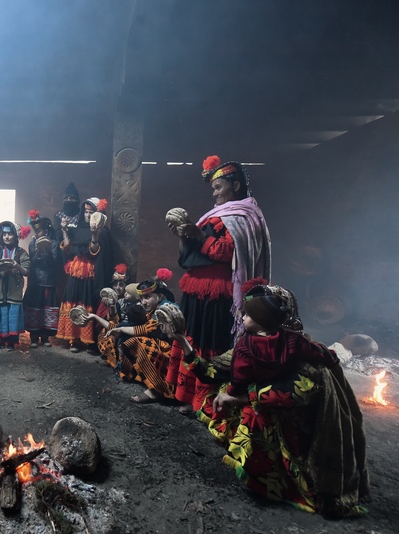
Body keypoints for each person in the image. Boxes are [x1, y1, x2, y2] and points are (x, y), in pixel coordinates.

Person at [164, 280, 369, 517]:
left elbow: (297, 392)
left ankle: (275, 482)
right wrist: (182, 341)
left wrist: (241, 397)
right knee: (226, 393)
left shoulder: (304, 358)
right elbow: (211, 372)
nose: (242, 316)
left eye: (249, 311)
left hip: (289, 425)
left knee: (256, 416)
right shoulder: (258, 344)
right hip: (256, 403)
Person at [167, 155, 271, 414]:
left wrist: (198, 234)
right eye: (213, 189)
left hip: (219, 291)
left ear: (235, 186)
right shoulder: (213, 216)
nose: (214, 194)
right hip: (194, 288)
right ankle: (184, 393)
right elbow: (187, 257)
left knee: (209, 340)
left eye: (218, 187)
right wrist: (183, 235)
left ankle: (205, 400)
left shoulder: (245, 216)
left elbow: (227, 252)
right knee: (191, 337)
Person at [104, 270, 177, 403]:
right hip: (163, 347)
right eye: (142, 298)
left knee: (140, 342)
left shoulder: (165, 309)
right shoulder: (153, 308)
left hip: (174, 353)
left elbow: (146, 329)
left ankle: (158, 389)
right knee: (125, 337)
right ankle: (136, 375)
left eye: (147, 297)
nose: (143, 302)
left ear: (160, 296)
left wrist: (121, 329)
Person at [56, 197, 112, 353]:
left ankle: (87, 340)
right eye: (86, 212)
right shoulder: (78, 228)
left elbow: (95, 252)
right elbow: (67, 248)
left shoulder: (103, 231)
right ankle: (73, 338)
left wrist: (94, 234)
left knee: (86, 303)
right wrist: (64, 230)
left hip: (90, 273)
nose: (87, 215)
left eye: (91, 212)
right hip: (74, 271)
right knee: (72, 301)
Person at [0, 221, 31, 351]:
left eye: (10, 234)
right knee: (1, 314)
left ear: (15, 236)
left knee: (12, 314)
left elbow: (26, 271)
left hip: (14, 291)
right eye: (4, 234)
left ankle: (13, 341)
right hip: (0, 291)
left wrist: (15, 265)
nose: (6, 237)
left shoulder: (21, 253)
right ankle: (2, 340)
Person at [23, 210, 61, 348]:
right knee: (35, 308)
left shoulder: (55, 244)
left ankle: (45, 337)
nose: (37, 234)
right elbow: (32, 262)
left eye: (40, 231)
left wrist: (48, 250)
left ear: (46, 231)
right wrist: (39, 250)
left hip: (48, 283)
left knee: (46, 310)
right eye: (36, 231)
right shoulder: (32, 244)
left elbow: (54, 263)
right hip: (35, 282)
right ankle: (34, 337)